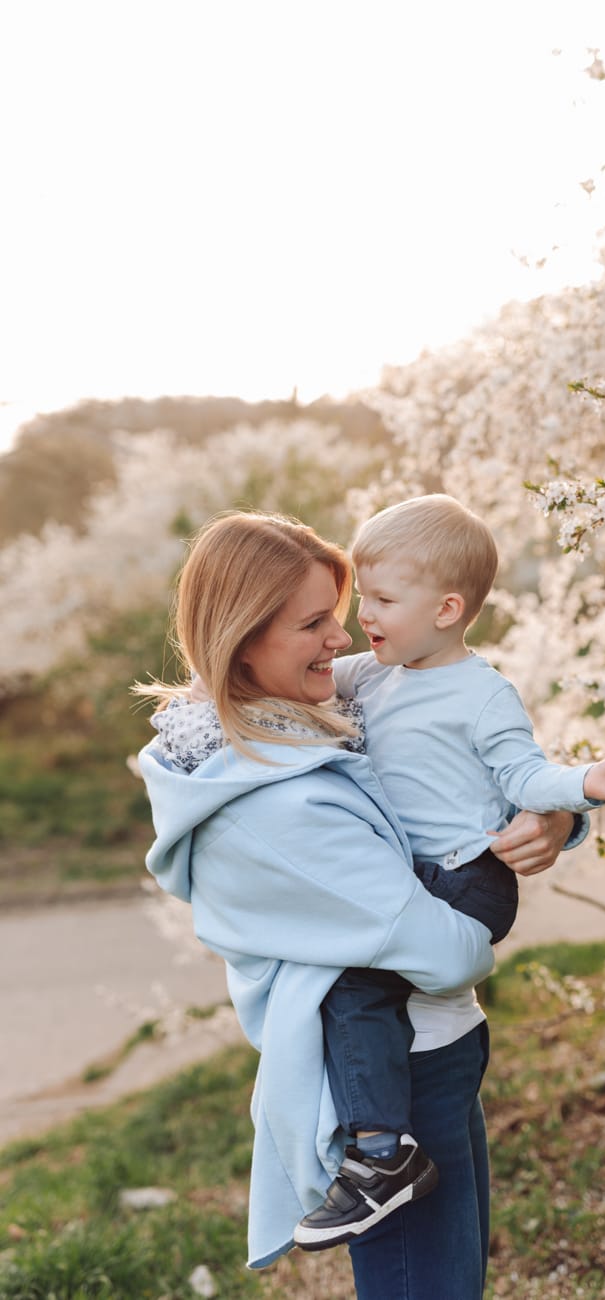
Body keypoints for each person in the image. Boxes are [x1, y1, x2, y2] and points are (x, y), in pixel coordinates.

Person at [135, 508, 579, 1299]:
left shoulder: (309, 721)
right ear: (241, 635)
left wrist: (559, 817)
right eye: (313, 624)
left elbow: (451, 748)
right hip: (401, 1074)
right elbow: (445, 957)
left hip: (437, 1045)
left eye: (339, 616)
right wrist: (477, 923)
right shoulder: (268, 800)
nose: (341, 639)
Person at [287, 493, 605, 1249]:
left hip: (469, 879)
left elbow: (522, 777)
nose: (363, 614)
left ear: (447, 608)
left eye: (384, 599)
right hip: (424, 877)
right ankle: (378, 1148)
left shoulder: (481, 693)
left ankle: (379, 1153)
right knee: (354, 983)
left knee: (355, 983)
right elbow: (303, 682)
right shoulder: (371, 676)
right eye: (363, 595)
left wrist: (587, 786)